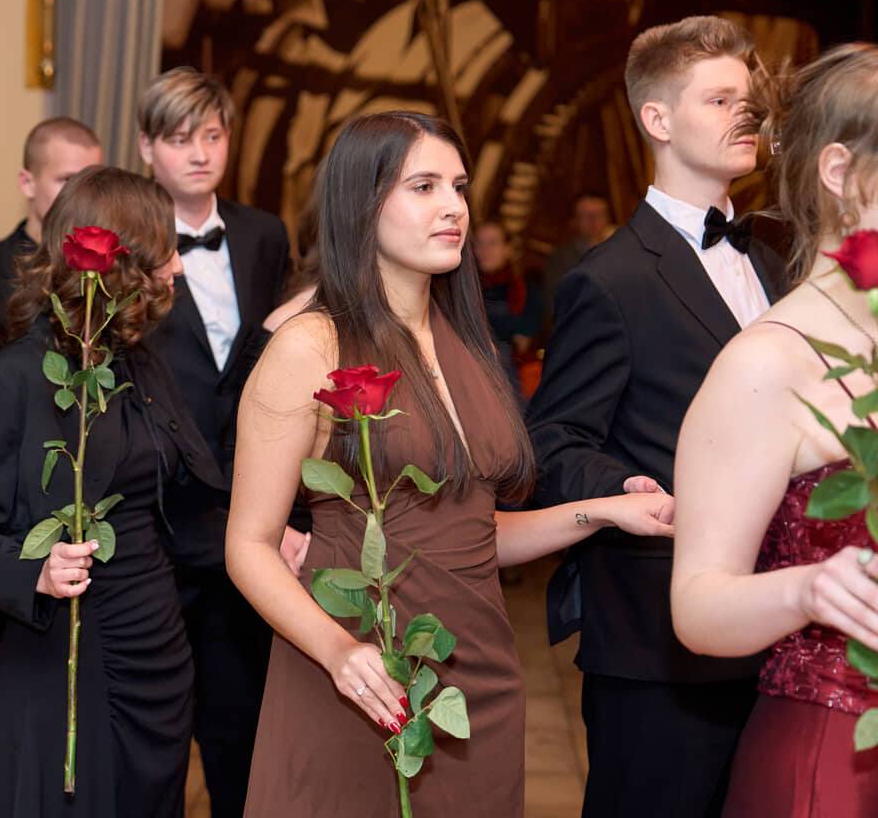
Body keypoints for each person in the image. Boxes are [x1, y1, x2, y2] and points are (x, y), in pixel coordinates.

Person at [227, 110, 675, 816]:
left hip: (479, 678)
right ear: (361, 203)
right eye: (424, 187)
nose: (453, 207)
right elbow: (249, 546)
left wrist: (603, 512)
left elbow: (468, 534)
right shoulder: (310, 347)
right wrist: (339, 652)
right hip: (360, 675)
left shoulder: (469, 343)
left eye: (459, 188)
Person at [525, 15, 788, 818]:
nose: (746, 116)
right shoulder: (609, 280)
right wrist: (623, 489)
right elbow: (554, 440)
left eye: (749, 102)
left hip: (780, 628)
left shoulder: (777, 257)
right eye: (719, 100)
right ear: (658, 119)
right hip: (658, 642)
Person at [0, 166, 222, 817]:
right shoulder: (9, 381)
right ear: (123, 262)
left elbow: (183, 501)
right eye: (165, 251)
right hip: (66, 655)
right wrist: (33, 569)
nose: (178, 266)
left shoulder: (140, 364)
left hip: (159, 654)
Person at [671, 42, 878, 816]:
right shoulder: (764, 363)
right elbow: (697, 608)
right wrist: (809, 589)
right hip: (830, 766)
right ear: (840, 173)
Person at [137, 66, 293, 816]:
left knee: (243, 720)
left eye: (211, 135)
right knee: (158, 721)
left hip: (250, 503)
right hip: (163, 511)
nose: (199, 153)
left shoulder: (263, 234)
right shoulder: (128, 243)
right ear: (147, 148)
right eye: (178, 139)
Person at [0, 117, 102, 330]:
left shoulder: (111, 266)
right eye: (67, 180)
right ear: (28, 183)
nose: (82, 195)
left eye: (92, 182)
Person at [473, 221, 540, 400]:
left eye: (492, 243)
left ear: (508, 249)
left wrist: (489, 320)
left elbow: (530, 329)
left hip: (515, 379)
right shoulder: (465, 289)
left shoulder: (525, 288)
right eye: (479, 243)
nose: (485, 250)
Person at [541, 192, 612, 324]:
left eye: (599, 214)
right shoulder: (561, 258)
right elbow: (555, 304)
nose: (594, 221)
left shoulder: (619, 253)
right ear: (574, 221)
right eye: (587, 216)